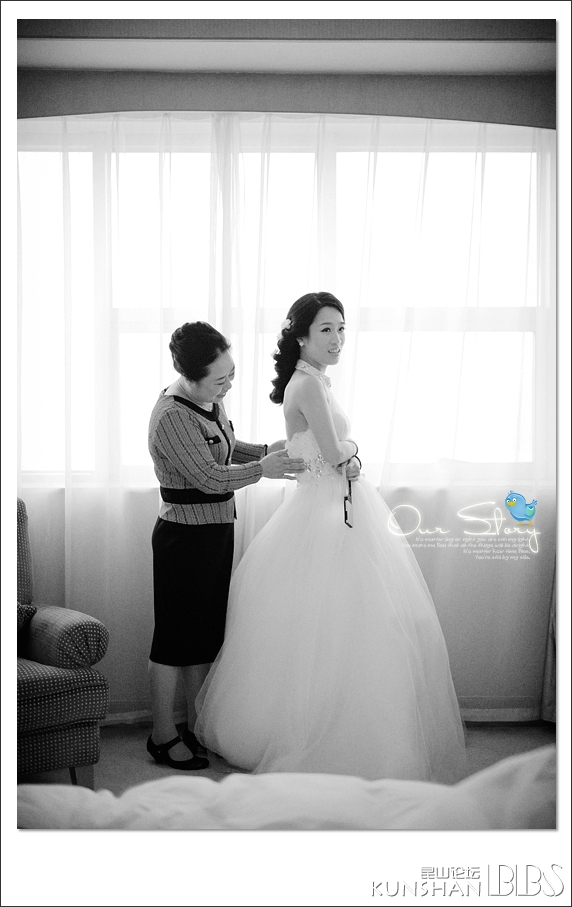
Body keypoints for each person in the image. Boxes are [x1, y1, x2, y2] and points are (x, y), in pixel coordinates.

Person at [195, 292, 467, 783]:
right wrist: (354, 449)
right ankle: (325, 737)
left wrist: (347, 455)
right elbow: (334, 451)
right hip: (324, 511)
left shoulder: (313, 380)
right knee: (336, 625)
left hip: (327, 504)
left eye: (341, 328)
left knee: (351, 625)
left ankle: (354, 726)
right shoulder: (308, 384)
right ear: (301, 337)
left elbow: (327, 451)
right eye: (325, 329)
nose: (337, 338)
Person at [147, 321, 305, 770]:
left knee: (203, 635)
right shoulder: (173, 415)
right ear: (189, 375)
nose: (228, 385)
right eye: (220, 379)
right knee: (173, 640)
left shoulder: (208, 400)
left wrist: (265, 450)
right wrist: (264, 470)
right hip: (183, 538)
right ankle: (161, 734)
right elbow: (209, 477)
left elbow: (224, 447)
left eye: (231, 374)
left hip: (214, 532)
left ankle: (198, 725)